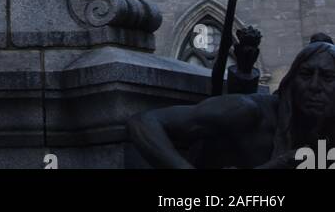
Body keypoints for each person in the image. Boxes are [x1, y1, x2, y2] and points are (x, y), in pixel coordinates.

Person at [128, 35, 335, 169]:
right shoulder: (245, 111)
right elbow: (144, 122)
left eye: (327, 77)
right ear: (291, 82)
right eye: (306, 75)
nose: (314, 86)